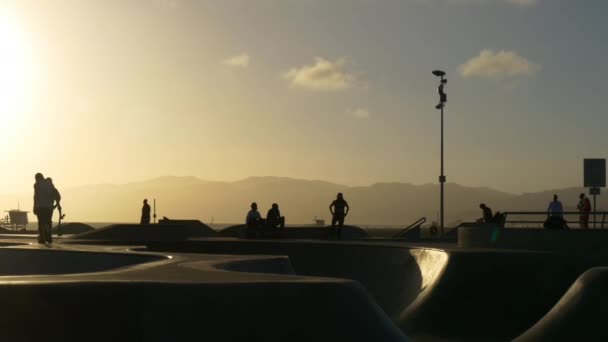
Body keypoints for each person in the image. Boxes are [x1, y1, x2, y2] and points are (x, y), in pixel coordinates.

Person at [33, 173, 61, 244]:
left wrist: (34, 206)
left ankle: (42, 238)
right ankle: (49, 237)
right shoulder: (49, 184)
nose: (36, 180)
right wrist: (57, 205)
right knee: (48, 222)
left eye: (36, 179)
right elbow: (57, 196)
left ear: (38, 178)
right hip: (49, 207)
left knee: (41, 222)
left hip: (40, 207)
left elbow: (36, 196)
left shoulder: (37, 185)